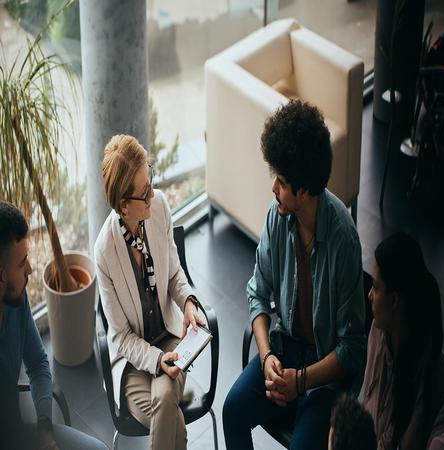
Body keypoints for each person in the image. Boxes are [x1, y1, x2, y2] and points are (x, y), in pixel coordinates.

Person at [223, 100, 366, 450]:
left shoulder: (343, 240)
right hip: (285, 351)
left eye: (282, 182)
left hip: (323, 375)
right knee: (232, 411)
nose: (274, 188)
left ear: (304, 190)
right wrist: (268, 354)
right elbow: (257, 292)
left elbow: (352, 349)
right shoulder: (278, 216)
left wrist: (300, 382)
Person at [94, 134, 204, 450]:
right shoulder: (105, 252)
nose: (153, 195)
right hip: (132, 361)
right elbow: (120, 337)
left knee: (164, 399)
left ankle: (169, 387)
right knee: (168, 406)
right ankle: (170, 389)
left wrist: (188, 302)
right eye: (144, 193)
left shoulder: (160, 209)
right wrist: (158, 361)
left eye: (150, 181)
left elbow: (173, 273)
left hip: (170, 335)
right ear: (123, 205)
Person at [0, 201, 108, 450]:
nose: (30, 269)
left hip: (20, 435)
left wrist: (45, 430)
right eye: (21, 263)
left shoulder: (17, 302)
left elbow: (37, 365)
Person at [363, 232, 444, 450]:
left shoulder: (431, 371)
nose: (369, 295)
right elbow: (367, 398)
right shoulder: (377, 330)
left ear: (394, 300)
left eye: (375, 286)